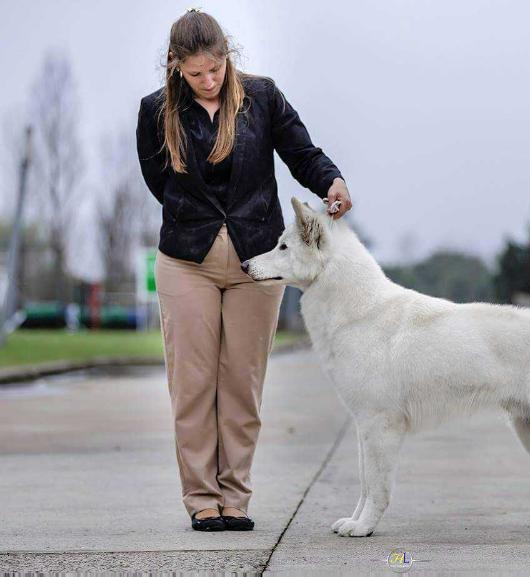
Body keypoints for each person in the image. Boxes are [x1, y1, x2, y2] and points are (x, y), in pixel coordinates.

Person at [136, 8, 351, 532]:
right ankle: (201, 499)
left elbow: (302, 151)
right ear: (175, 67)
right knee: (192, 384)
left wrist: (332, 182)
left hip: (259, 260)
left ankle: (235, 498)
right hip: (187, 261)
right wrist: (197, 218)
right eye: (196, 74)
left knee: (241, 384)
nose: (208, 82)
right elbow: (155, 178)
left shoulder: (263, 96)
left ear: (227, 58)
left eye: (215, 70)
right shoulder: (154, 110)